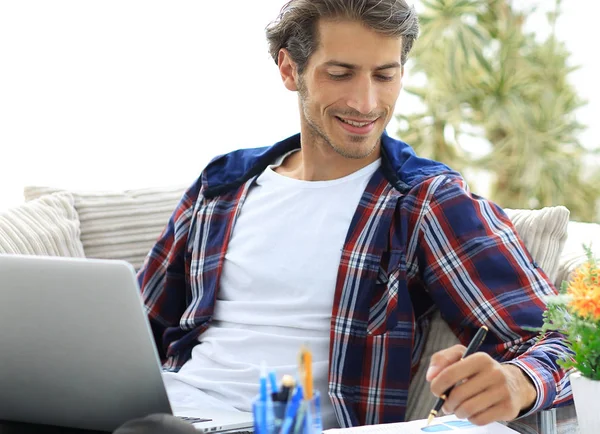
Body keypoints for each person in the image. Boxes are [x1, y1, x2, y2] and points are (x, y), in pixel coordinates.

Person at [137, 0, 573, 430]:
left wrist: (519, 382)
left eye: (385, 76)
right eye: (340, 74)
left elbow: (569, 340)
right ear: (290, 70)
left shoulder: (424, 201)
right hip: (170, 408)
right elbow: (137, 326)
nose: (366, 103)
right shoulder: (223, 185)